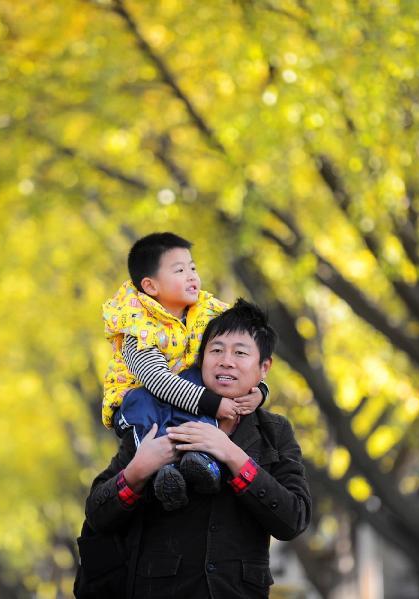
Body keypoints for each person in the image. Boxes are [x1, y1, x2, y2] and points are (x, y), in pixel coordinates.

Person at [80, 299, 311, 598]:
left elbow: (294, 519)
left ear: (263, 367)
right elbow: (97, 513)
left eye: (240, 353)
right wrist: (137, 471)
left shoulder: (274, 431)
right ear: (201, 359)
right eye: (216, 350)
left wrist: (232, 455)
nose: (226, 361)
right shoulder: (159, 418)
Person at [101, 233, 267, 510]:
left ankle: (201, 461)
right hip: (142, 397)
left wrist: (259, 391)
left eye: (192, 267)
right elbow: (158, 381)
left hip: (186, 397)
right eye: (179, 270)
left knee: (197, 377)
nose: (191, 276)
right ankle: (161, 478)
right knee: (142, 405)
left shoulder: (205, 315)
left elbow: (244, 353)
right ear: (150, 286)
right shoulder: (136, 328)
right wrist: (214, 404)